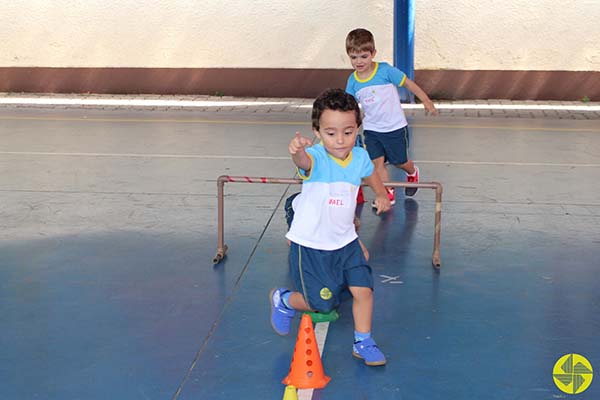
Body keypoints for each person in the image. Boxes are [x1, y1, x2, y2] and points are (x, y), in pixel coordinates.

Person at [270, 88, 391, 366]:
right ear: (317, 131)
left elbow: (369, 172)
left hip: (346, 241)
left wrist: (381, 193)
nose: (340, 140)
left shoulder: (359, 156)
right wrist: (297, 152)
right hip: (311, 244)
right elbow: (304, 163)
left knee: (364, 291)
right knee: (321, 304)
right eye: (331, 133)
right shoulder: (315, 157)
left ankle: (363, 341)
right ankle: (285, 300)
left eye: (348, 132)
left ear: (357, 128)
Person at [345, 28, 438, 205]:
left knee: (399, 161)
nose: (359, 61)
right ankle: (387, 192)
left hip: (394, 127)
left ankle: (412, 172)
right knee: (376, 164)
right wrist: (350, 127)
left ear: (373, 54)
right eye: (354, 57)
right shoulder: (353, 80)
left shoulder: (385, 70)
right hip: (372, 129)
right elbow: (349, 106)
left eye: (364, 56)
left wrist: (426, 100)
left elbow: (408, 83)